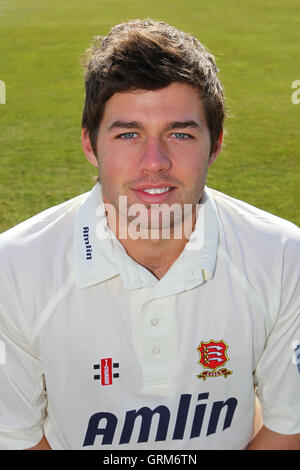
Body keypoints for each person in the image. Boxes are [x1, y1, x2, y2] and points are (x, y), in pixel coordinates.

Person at [0, 19, 299, 451]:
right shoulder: (14, 268)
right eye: (128, 134)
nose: (154, 161)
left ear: (215, 144)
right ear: (90, 144)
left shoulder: (283, 255)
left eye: (179, 134)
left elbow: (287, 429)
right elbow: (17, 438)